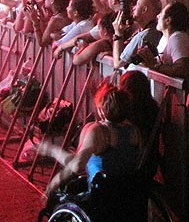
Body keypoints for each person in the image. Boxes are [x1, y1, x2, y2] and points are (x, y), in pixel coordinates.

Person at [42, 81, 146, 222]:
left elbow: (77, 166)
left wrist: (54, 182)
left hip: (102, 198)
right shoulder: (134, 131)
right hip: (129, 196)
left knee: (62, 197)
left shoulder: (98, 131)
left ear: (102, 109)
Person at [135, 1, 189, 83]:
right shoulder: (165, 38)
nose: (157, 16)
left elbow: (182, 69)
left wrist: (154, 65)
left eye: (161, 13)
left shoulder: (178, 38)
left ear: (168, 20)